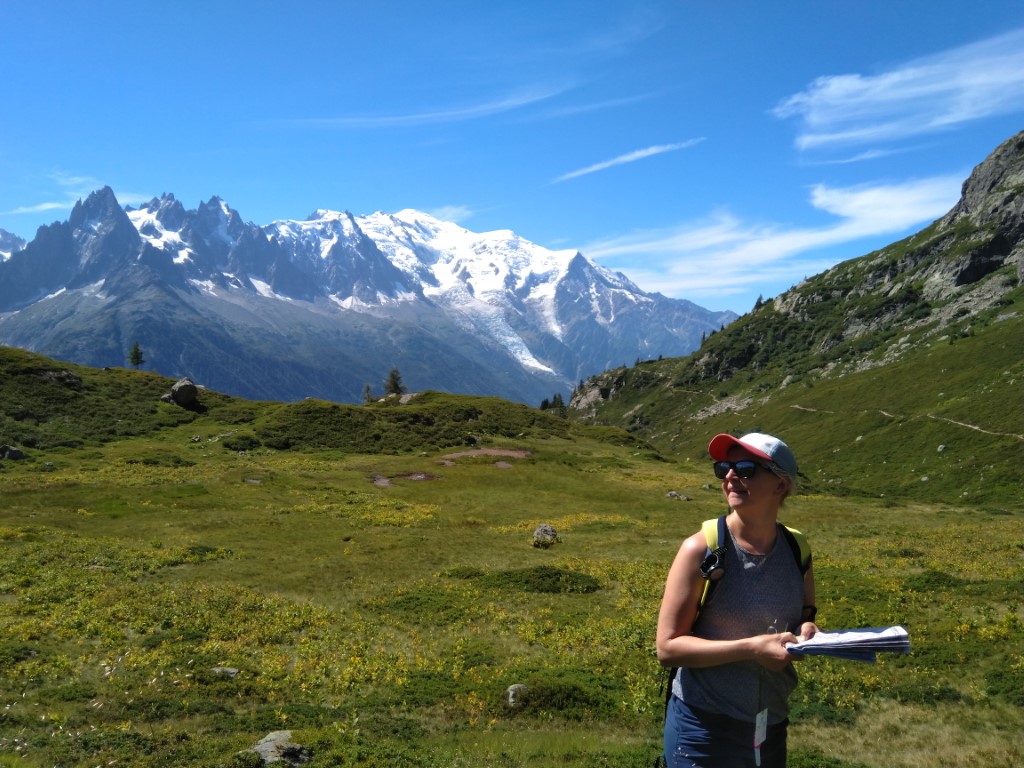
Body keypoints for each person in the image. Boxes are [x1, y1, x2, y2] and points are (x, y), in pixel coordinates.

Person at [656, 432, 819, 768]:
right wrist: (751, 649)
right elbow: (668, 648)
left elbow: (805, 614)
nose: (730, 476)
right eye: (724, 468)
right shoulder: (701, 549)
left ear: (780, 485)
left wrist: (807, 631)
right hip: (703, 728)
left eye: (746, 469)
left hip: (769, 723)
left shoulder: (797, 549)